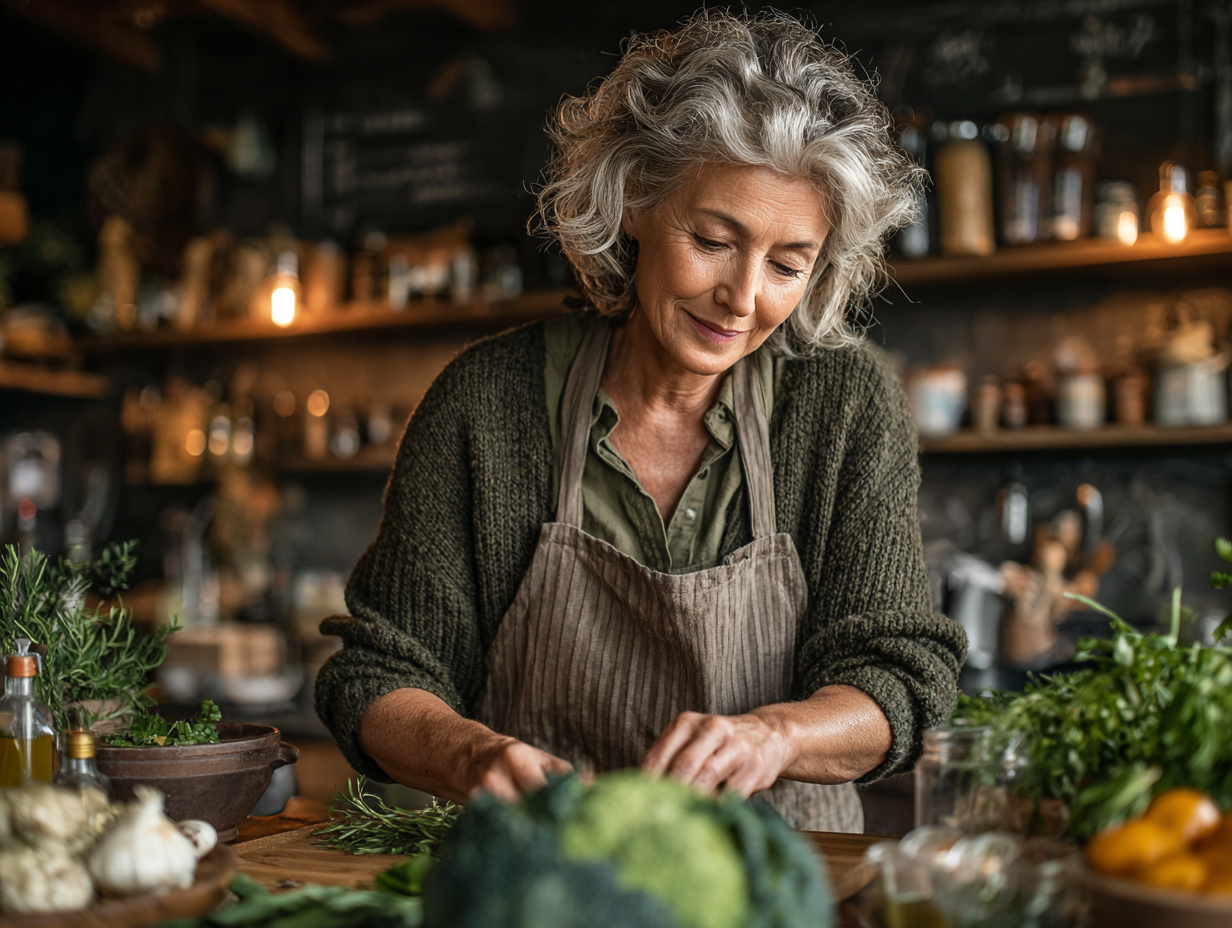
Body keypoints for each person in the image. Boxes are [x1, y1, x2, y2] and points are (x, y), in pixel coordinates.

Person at [316, 9, 966, 832]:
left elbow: (899, 676)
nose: (742, 296)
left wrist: (774, 736)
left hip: (780, 888)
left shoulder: (844, 407)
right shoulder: (487, 405)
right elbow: (378, 672)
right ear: (633, 201)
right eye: (712, 239)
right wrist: (469, 755)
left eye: (788, 264)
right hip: (536, 883)